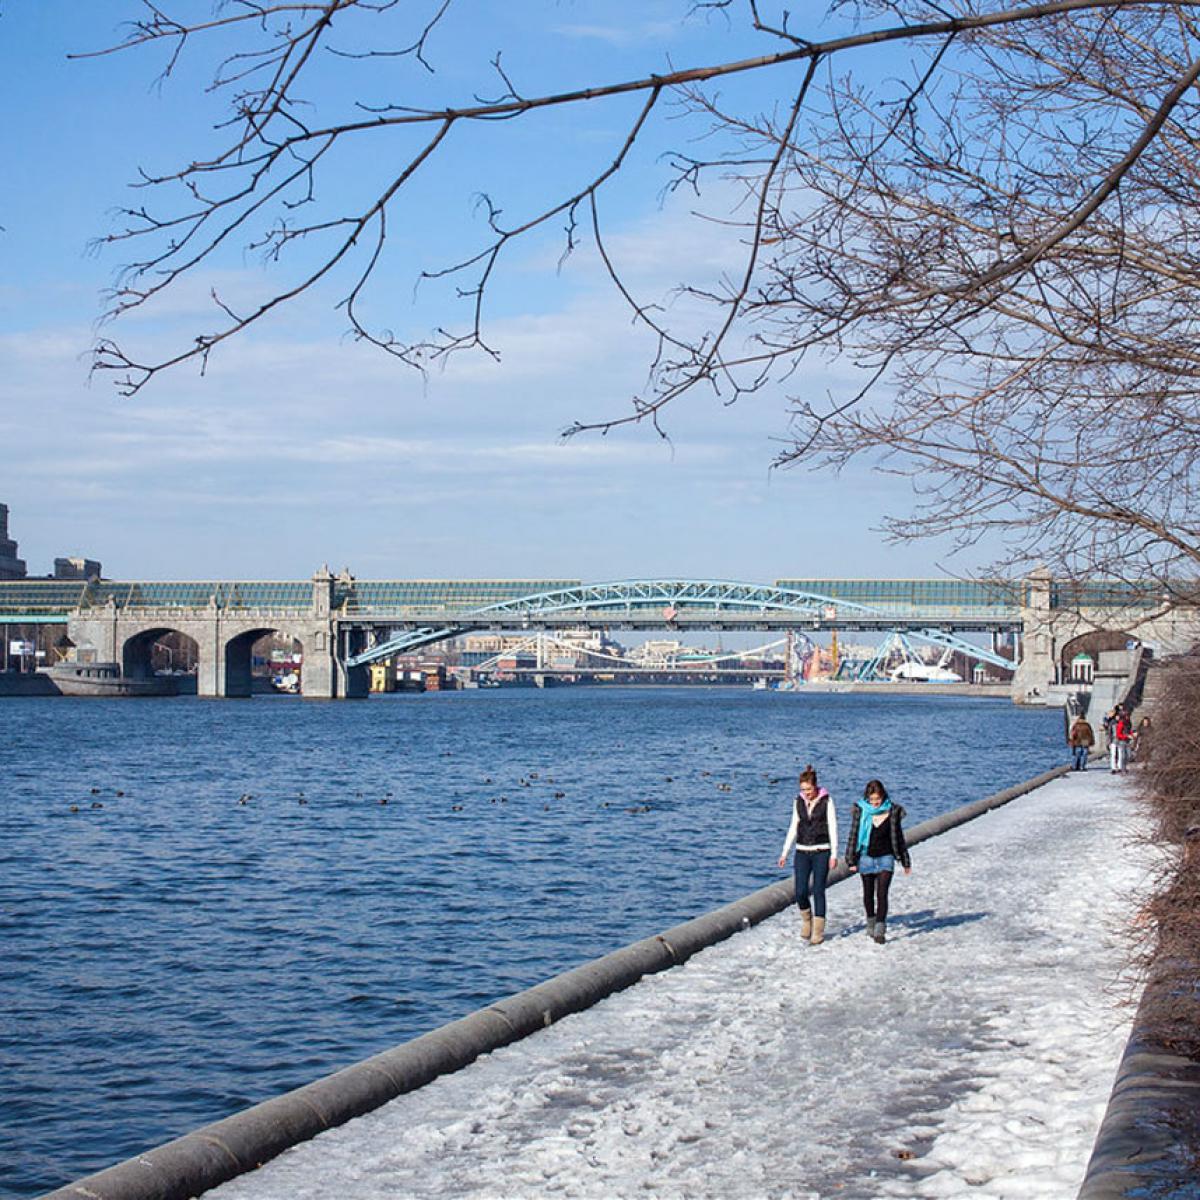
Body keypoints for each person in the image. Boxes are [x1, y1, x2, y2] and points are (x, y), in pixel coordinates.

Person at [777, 763, 838, 946]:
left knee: (819, 889)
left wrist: (834, 853)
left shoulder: (827, 801)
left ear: (816, 786)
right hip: (802, 850)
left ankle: (818, 930)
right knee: (800, 891)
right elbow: (793, 826)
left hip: (822, 850)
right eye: (803, 790)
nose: (807, 793)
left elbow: (833, 827)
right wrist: (784, 852)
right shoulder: (798, 801)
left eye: (809, 789)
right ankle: (806, 920)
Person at [845, 779, 911, 944]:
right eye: (872, 800)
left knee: (882, 893)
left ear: (883, 797)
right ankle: (871, 920)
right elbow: (853, 836)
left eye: (878, 800)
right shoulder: (861, 812)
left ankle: (880, 928)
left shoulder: (892, 812)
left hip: (886, 857)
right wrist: (850, 859)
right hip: (866, 856)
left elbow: (899, 838)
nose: (875, 803)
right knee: (868, 894)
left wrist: (905, 861)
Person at [1111, 706, 1133, 773]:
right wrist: (1126, 736)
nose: (1128, 717)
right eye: (1127, 716)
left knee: (1129, 755)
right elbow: (1118, 734)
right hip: (1121, 741)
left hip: (1127, 741)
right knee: (1121, 755)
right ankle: (1122, 769)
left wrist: (1132, 734)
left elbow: (1129, 731)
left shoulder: (1129, 723)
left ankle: (1124, 767)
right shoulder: (1121, 723)